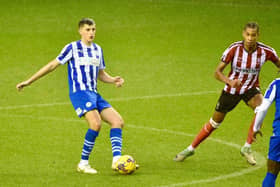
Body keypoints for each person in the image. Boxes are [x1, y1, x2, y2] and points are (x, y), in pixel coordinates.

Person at [16, 18, 133, 174]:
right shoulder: (72, 48)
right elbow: (52, 65)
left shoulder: (98, 49)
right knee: (96, 124)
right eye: (88, 29)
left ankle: (117, 161)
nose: (91, 33)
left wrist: (113, 80)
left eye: (93, 29)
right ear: (80, 31)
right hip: (80, 93)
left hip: (94, 94)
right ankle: (83, 163)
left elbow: (101, 74)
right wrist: (29, 81)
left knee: (117, 121)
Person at [174, 22, 280, 165]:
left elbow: (278, 63)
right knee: (214, 123)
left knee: (261, 107)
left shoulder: (266, 51)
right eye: (248, 34)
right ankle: (190, 148)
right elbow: (217, 72)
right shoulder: (234, 49)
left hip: (250, 88)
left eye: (253, 35)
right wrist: (230, 82)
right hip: (231, 90)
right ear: (243, 34)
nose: (250, 38)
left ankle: (247, 147)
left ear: (258, 36)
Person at [253, 78, 280, 187]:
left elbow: (263, 109)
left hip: (279, 135)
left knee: (271, 173)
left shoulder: (277, 84)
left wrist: (256, 127)